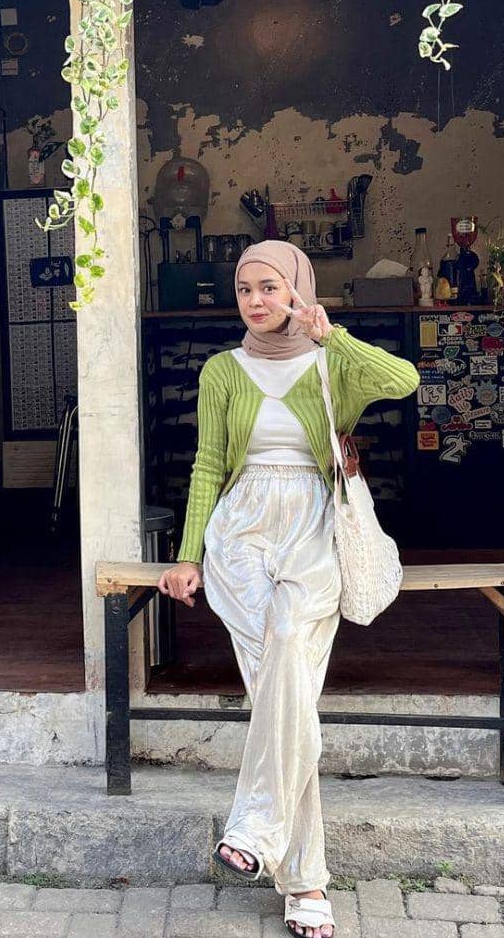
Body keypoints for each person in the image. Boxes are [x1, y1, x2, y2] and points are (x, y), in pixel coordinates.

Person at [158, 240, 420, 938]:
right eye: (245, 288)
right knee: (287, 689)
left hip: (313, 525)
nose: (255, 300)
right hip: (241, 531)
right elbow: (207, 464)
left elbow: (402, 380)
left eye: (270, 286)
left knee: (285, 661)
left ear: (299, 288)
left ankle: (256, 831)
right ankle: (306, 885)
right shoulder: (221, 370)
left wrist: (333, 335)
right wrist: (187, 555)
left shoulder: (332, 359)